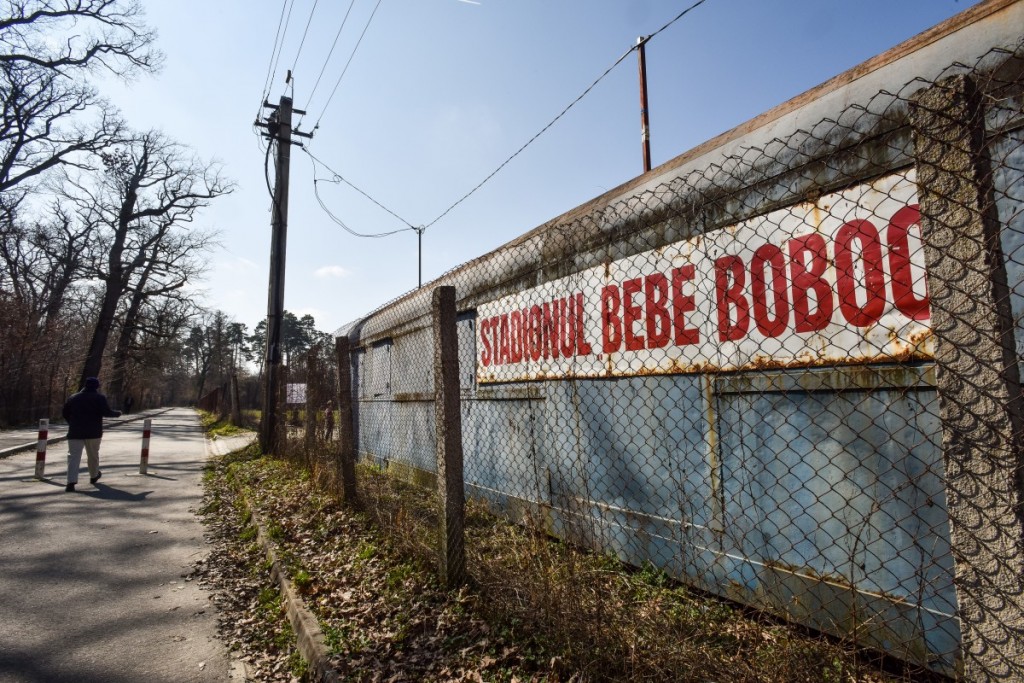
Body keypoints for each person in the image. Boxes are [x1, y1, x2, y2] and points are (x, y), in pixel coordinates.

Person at [62, 377, 122, 492]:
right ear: (97, 387)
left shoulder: (73, 398)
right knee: (93, 455)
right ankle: (94, 476)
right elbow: (106, 412)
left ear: (85, 385)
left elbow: (65, 412)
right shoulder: (99, 398)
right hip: (93, 432)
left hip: (75, 432)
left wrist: (72, 423)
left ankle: (71, 482)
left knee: (73, 457)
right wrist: (117, 414)